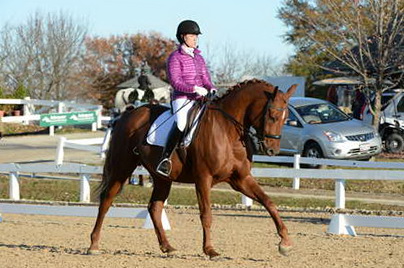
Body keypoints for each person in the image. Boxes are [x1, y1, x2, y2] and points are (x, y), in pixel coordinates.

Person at [156, 20, 216, 177]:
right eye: (192, 36)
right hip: (182, 98)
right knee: (181, 124)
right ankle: (165, 158)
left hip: (199, 98)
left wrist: (211, 87)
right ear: (183, 37)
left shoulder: (199, 58)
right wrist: (194, 88)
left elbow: (205, 78)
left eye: (197, 36)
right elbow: (176, 82)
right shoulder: (175, 57)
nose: (195, 38)